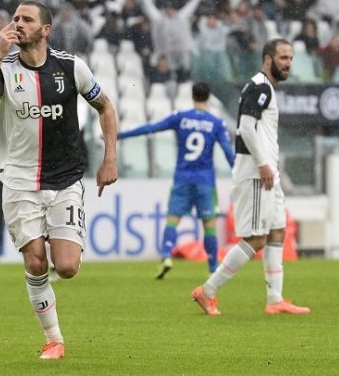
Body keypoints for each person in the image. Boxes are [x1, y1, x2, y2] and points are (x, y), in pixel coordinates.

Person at [0, 1, 118, 360]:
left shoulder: (70, 67)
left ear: (45, 30)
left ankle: (54, 240)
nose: (17, 24)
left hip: (65, 180)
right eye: (15, 19)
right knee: (36, 262)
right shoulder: (5, 68)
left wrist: (109, 158)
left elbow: (106, 108)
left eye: (26, 20)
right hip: (20, 181)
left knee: (66, 267)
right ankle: (54, 339)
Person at [192, 39, 310, 316]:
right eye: (283, 58)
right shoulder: (259, 86)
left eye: (291, 58)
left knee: (278, 229)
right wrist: (263, 164)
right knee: (256, 239)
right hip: (257, 172)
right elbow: (245, 126)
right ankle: (206, 292)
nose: (288, 63)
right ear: (268, 59)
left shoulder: (265, 88)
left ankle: (275, 299)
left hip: (268, 171)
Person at [117, 82, 234, 279]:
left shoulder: (180, 117)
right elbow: (229, 154)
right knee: (209, 226)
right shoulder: (216, 123)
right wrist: (240, 173)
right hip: (205, 181)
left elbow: (151, 128)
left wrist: (121, 135)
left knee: (173, 220)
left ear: (193, 96)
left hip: (182, 178)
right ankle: (213, 268)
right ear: (208, 97)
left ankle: (166, 256)